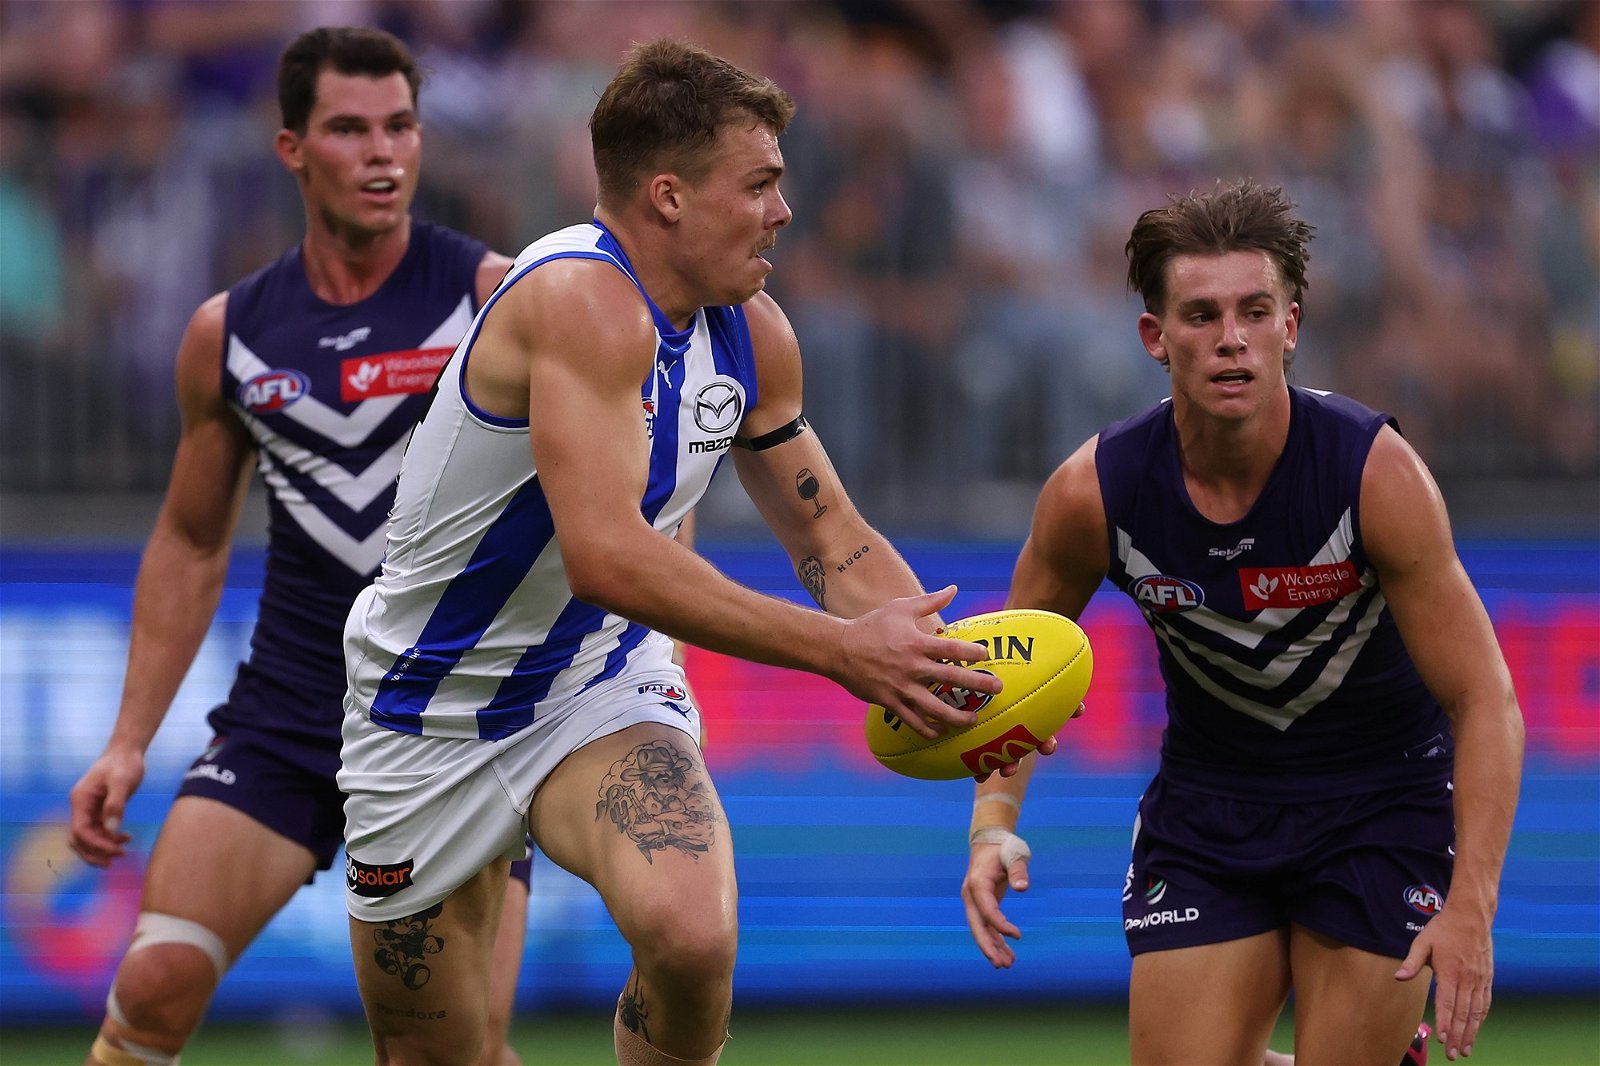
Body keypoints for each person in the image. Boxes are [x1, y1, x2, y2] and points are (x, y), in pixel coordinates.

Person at [338, 37, 1018, 1066]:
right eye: (759, 184)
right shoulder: (576, 301)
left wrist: (957, 672)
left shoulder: (753, 332)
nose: (784, 211)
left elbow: (831, 535)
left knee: (693, 937)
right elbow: (609, 556)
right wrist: (842, 654)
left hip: (593, 685)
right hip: (422, 710)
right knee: (434, 1056)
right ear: (667, 197)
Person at [959, 180, 1523, 1066]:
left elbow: (1484, 696)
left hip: (1382, 804)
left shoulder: (1374, 473)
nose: (1231, 340)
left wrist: (1472, 908)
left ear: (1290, 326)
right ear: (1156, 337)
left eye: (1255, 312)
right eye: (1202, 315)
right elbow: (1015, 673)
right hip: (1209, 811)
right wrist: (993, 824)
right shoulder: (1092, 494)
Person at [66, 27, 534, 1066]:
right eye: (349, 129)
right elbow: (191, 540)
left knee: (447, 1057)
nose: (382, 153)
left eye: (401, 126)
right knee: (153, 981)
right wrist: (128, 740)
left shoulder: (495, 300)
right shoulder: (229, 333)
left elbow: (604, 492)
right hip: (288, 717)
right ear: (291, 149)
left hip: (449, 737)